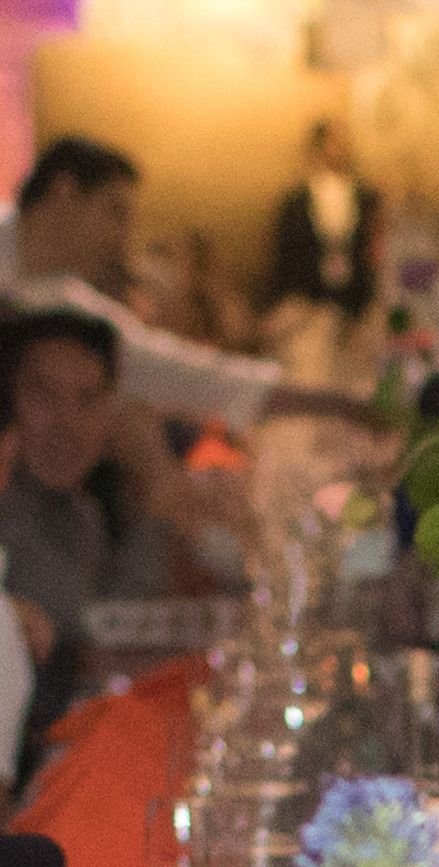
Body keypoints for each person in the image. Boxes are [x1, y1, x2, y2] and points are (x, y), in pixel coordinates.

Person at [3, 140, 366, 439]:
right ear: (63, 191)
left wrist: (335, 404)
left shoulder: (68, 303)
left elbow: (180, 373)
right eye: (115, 212)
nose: (122, 238)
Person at [0, 310, 175, 736]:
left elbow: (122, 622)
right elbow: (91, 640)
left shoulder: (80, 511)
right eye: (45, 397)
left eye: (88, 400)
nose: (68, 424)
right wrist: (156, 487)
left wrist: (148, 502)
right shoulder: (11, 512)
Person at [265, 121, 377, 323]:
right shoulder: (296, 202)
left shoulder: (366, 198)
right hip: (308, 300)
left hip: (355, 300)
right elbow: (286, 255)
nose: (343, 149)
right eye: (335, 142)